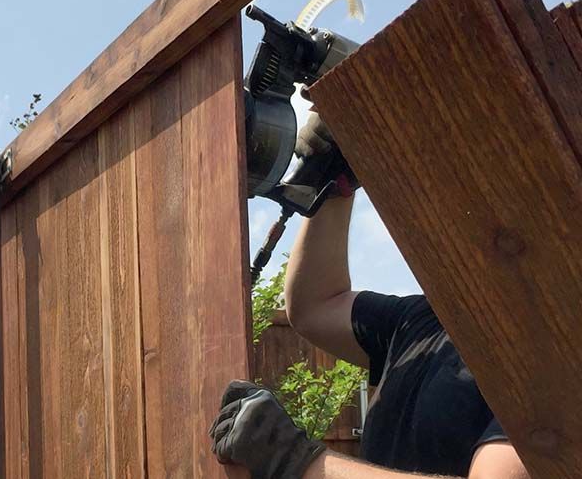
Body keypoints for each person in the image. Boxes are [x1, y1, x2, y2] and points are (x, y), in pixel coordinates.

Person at [209, 111, 531, 479]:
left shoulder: (556, 351)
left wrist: (296, 462)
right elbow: (315, 307)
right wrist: (333, 185)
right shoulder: (424, 321)